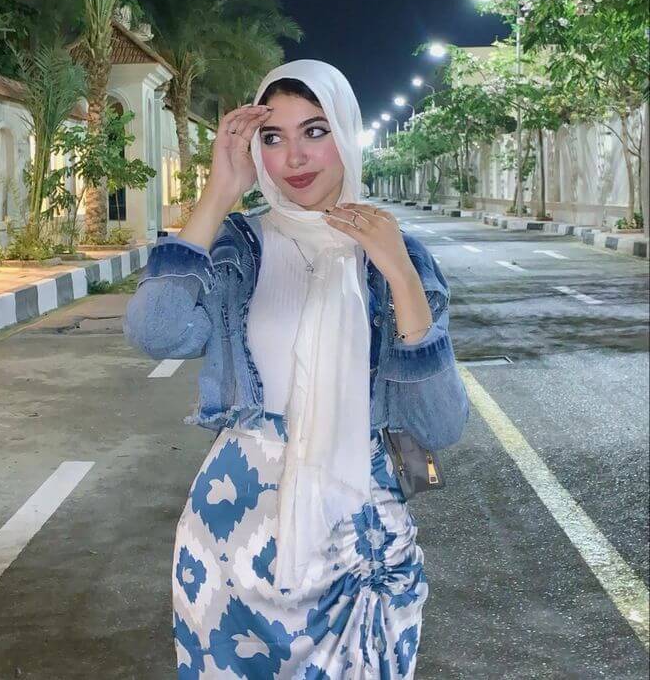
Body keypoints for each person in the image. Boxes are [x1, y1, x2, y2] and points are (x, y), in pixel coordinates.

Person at [124, 59, 469, 678]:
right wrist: (217, 195)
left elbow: (440, 425)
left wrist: (399, 274)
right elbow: (156, 332)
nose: (295, 157)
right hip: (235, 532)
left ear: (347, 132)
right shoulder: (239, 246)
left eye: (315, 130)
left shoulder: (396, 253)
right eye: (273, 137)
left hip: (357, 538)